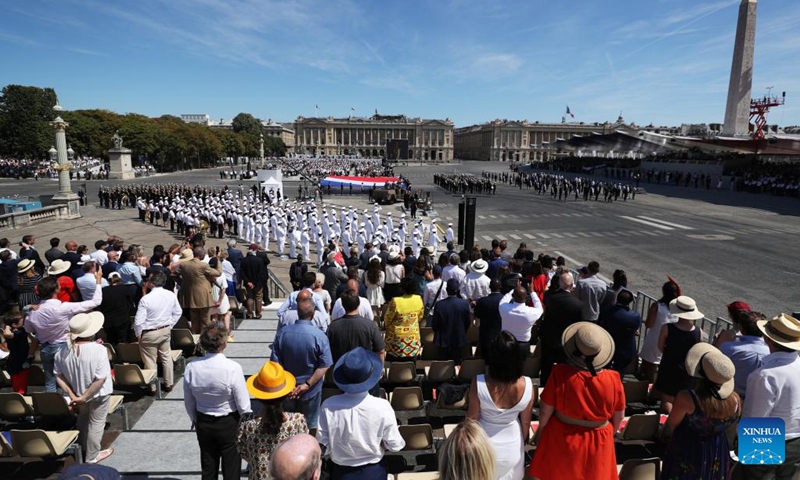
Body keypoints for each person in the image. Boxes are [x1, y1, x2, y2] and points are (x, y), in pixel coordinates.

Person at [528, 322, 625, 480]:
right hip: (600, 440)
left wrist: (542, 433)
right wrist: (603, 432)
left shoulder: (560, 373)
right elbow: (619, 416)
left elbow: (545, 410)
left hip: (563, 437)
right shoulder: (614, 378)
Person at [317, 347, 405, 479]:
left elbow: (323, 445)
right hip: (373, 472)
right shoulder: (382, 406)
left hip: (341, 473)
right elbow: (395, 445)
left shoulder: (328, 406)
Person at [661, 343, 740, 480]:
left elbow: (673, 423)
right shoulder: (736, 400)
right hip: (717, 448)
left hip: (688, 447)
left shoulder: (687, 398)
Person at [184, 323, 252, 480]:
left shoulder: (191, 368)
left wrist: (196, 419)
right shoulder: (233, 368)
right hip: (228, 422)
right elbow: (243, 404)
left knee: (208, 468)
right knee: (232, 469)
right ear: (223, 343)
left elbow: (189, 401)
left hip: (203, 420)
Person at [740, 313, 800, 480]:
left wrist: (743, 449)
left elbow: (754, 419)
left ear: (768, 339)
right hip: (796, 440)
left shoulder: (765, 375)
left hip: (768, 436)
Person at [467, 331, 534, 480]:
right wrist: (522, 443)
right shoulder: (528, 384)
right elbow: (525, 422)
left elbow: (472, 420)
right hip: (513, 446)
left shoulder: (478, 382)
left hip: (484, 446)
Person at [25, 272, 103, 392]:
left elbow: (29, 329)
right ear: (56, 289)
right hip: (63, 347)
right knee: (70, 378)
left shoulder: (33, 311)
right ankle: (71, 403)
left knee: (50, 380)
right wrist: (98, 281)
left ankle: (52, 406)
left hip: (46, 347)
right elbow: (96, 302)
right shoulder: (64, 307)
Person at [54, 312, 115, 464]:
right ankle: (92, 456)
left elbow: (58, 376)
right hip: (98, 394)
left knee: (83, 418)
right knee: (96, 423)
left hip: (78, 393)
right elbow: (101, 378)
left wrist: (74, 396)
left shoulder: (61, 352)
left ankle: (82, 446)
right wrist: (84, 397)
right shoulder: (99, 350)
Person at [238, 362, 309, 480]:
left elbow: (243, 452)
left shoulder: (246, 422)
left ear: (258, 396)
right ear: (285, 393)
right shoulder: (297, 421)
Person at [270, 299, 333, 429]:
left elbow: (275, 363)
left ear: (297, 313)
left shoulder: (283, 333)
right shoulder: (320, 336)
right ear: (313, 314)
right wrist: (307, 384)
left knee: (288, 425)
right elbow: (325, 365)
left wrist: (290, 385)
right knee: (310, 425)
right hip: (311, 390)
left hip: (287, 389)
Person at [134, 271, 183, 393]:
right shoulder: (170, 295)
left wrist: (138, 334)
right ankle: (169, 384)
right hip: (165, 329)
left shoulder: (146, 299)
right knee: (166, 357)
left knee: (150, 361)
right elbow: (178, 312)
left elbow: (138, 321)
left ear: (152, 283)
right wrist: (170, 324)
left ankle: (153, 387)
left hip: (149, 332)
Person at [655, 296, 704, 413]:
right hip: (688, 369)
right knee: (682, 399)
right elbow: (698, 351)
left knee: (667, 399)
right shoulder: (699, 332)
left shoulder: (667, 328)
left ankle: (667, 425)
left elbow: (660, 346)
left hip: (669, 365)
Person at [539, 271, 583, 387]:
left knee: (546, 366)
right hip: (566, 341)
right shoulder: (578, 304)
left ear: (559, 283)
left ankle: (544, 388)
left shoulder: (549, 296)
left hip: (549, 338)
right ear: (571, 285)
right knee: (564, 369)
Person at [714, 310, 769, 398]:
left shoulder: (729, 348)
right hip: (758, 397)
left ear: (741, 328)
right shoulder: (771, 352)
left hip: (730, 395)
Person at [326, 290, 385, 365]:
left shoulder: (333, 327)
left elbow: (326, 351)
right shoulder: (370, 325)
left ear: (343, 305)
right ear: (358, 303)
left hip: (340, 370)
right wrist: (379, 371)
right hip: (364, 369)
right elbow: (380, 351)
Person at [639, 280, 679, 383]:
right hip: (669, 344)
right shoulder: (678, 309)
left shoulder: (656, 306)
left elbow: (649, 324)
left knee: (647, 372)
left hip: (654, 341)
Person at [176, 246, 222, 332]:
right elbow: (218, 273)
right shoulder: (203, 265)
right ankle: (204, 339)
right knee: (205, 320)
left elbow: (174, 274)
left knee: (194, 320)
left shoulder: (184, 265)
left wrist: (182, 283)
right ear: (201, 255)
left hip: (191, 296)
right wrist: (217, 259)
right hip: (204, 297)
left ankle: (195, 337)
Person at [598, 289, 642, 375]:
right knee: (619, 374)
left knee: (603, 371)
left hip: (608, 346)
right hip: (624, 349)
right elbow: (634, 328)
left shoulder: (607, 311)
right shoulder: (635, 316)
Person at [382, 277, 424, 361]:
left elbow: (387, 320)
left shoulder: (395, 301)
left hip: (396, 342)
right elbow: (420, 317)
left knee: (394, 363)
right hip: (413, 342)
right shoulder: (418, 299)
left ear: (402, 288)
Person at [432, 279, 472, 365]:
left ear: (446, 290)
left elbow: (434, 324)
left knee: (443, 364)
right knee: (457, 363)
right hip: (458, 338)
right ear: (458, 290)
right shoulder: (464, 304)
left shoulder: (439, 304)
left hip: (443, 339)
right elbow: (467, 322)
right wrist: (461, 332)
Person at [499, 284, 543, 361]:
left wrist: (514, 289)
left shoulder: (504, 307)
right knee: (520, 368)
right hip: (522, 345)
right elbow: (539, 307)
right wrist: (532, 292)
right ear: (526, 298)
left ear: (513, 296)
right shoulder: (531, 312)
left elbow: (505, 299)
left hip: (505, 343)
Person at [98, 272, 135, 345]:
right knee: (123, 341)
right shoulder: (126, 289)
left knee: (111, 341)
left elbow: (99, 306)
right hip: (123, 320)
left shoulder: (103, 291)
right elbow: (131, 305)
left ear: (108, 280)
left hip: (108, 322)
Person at [474, 278, 504, 359]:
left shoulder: (481, 301)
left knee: (486, 361)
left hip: (485, 336)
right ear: (500, 287)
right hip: (502, 336)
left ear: (490, 287)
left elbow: (477, 321)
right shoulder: (506, 301)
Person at [3, 311, 30, 394]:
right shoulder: (18, 332)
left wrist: (7, 326)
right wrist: (7, 326)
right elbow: (7, 334)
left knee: (20, 386)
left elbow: (6, 333)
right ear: (14, 324)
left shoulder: (22, 331)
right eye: (22, 321)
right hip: (16, 363)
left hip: (19, 362)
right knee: (19, 387)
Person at [209, 258, 233, 342]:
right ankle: (227, 334)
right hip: (220, 298)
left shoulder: (207, 275)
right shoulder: (221, 275)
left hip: (211, 298)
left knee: (214, 317)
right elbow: (223, 289)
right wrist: (220, 301)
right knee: (226, 314)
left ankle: (213, 335)